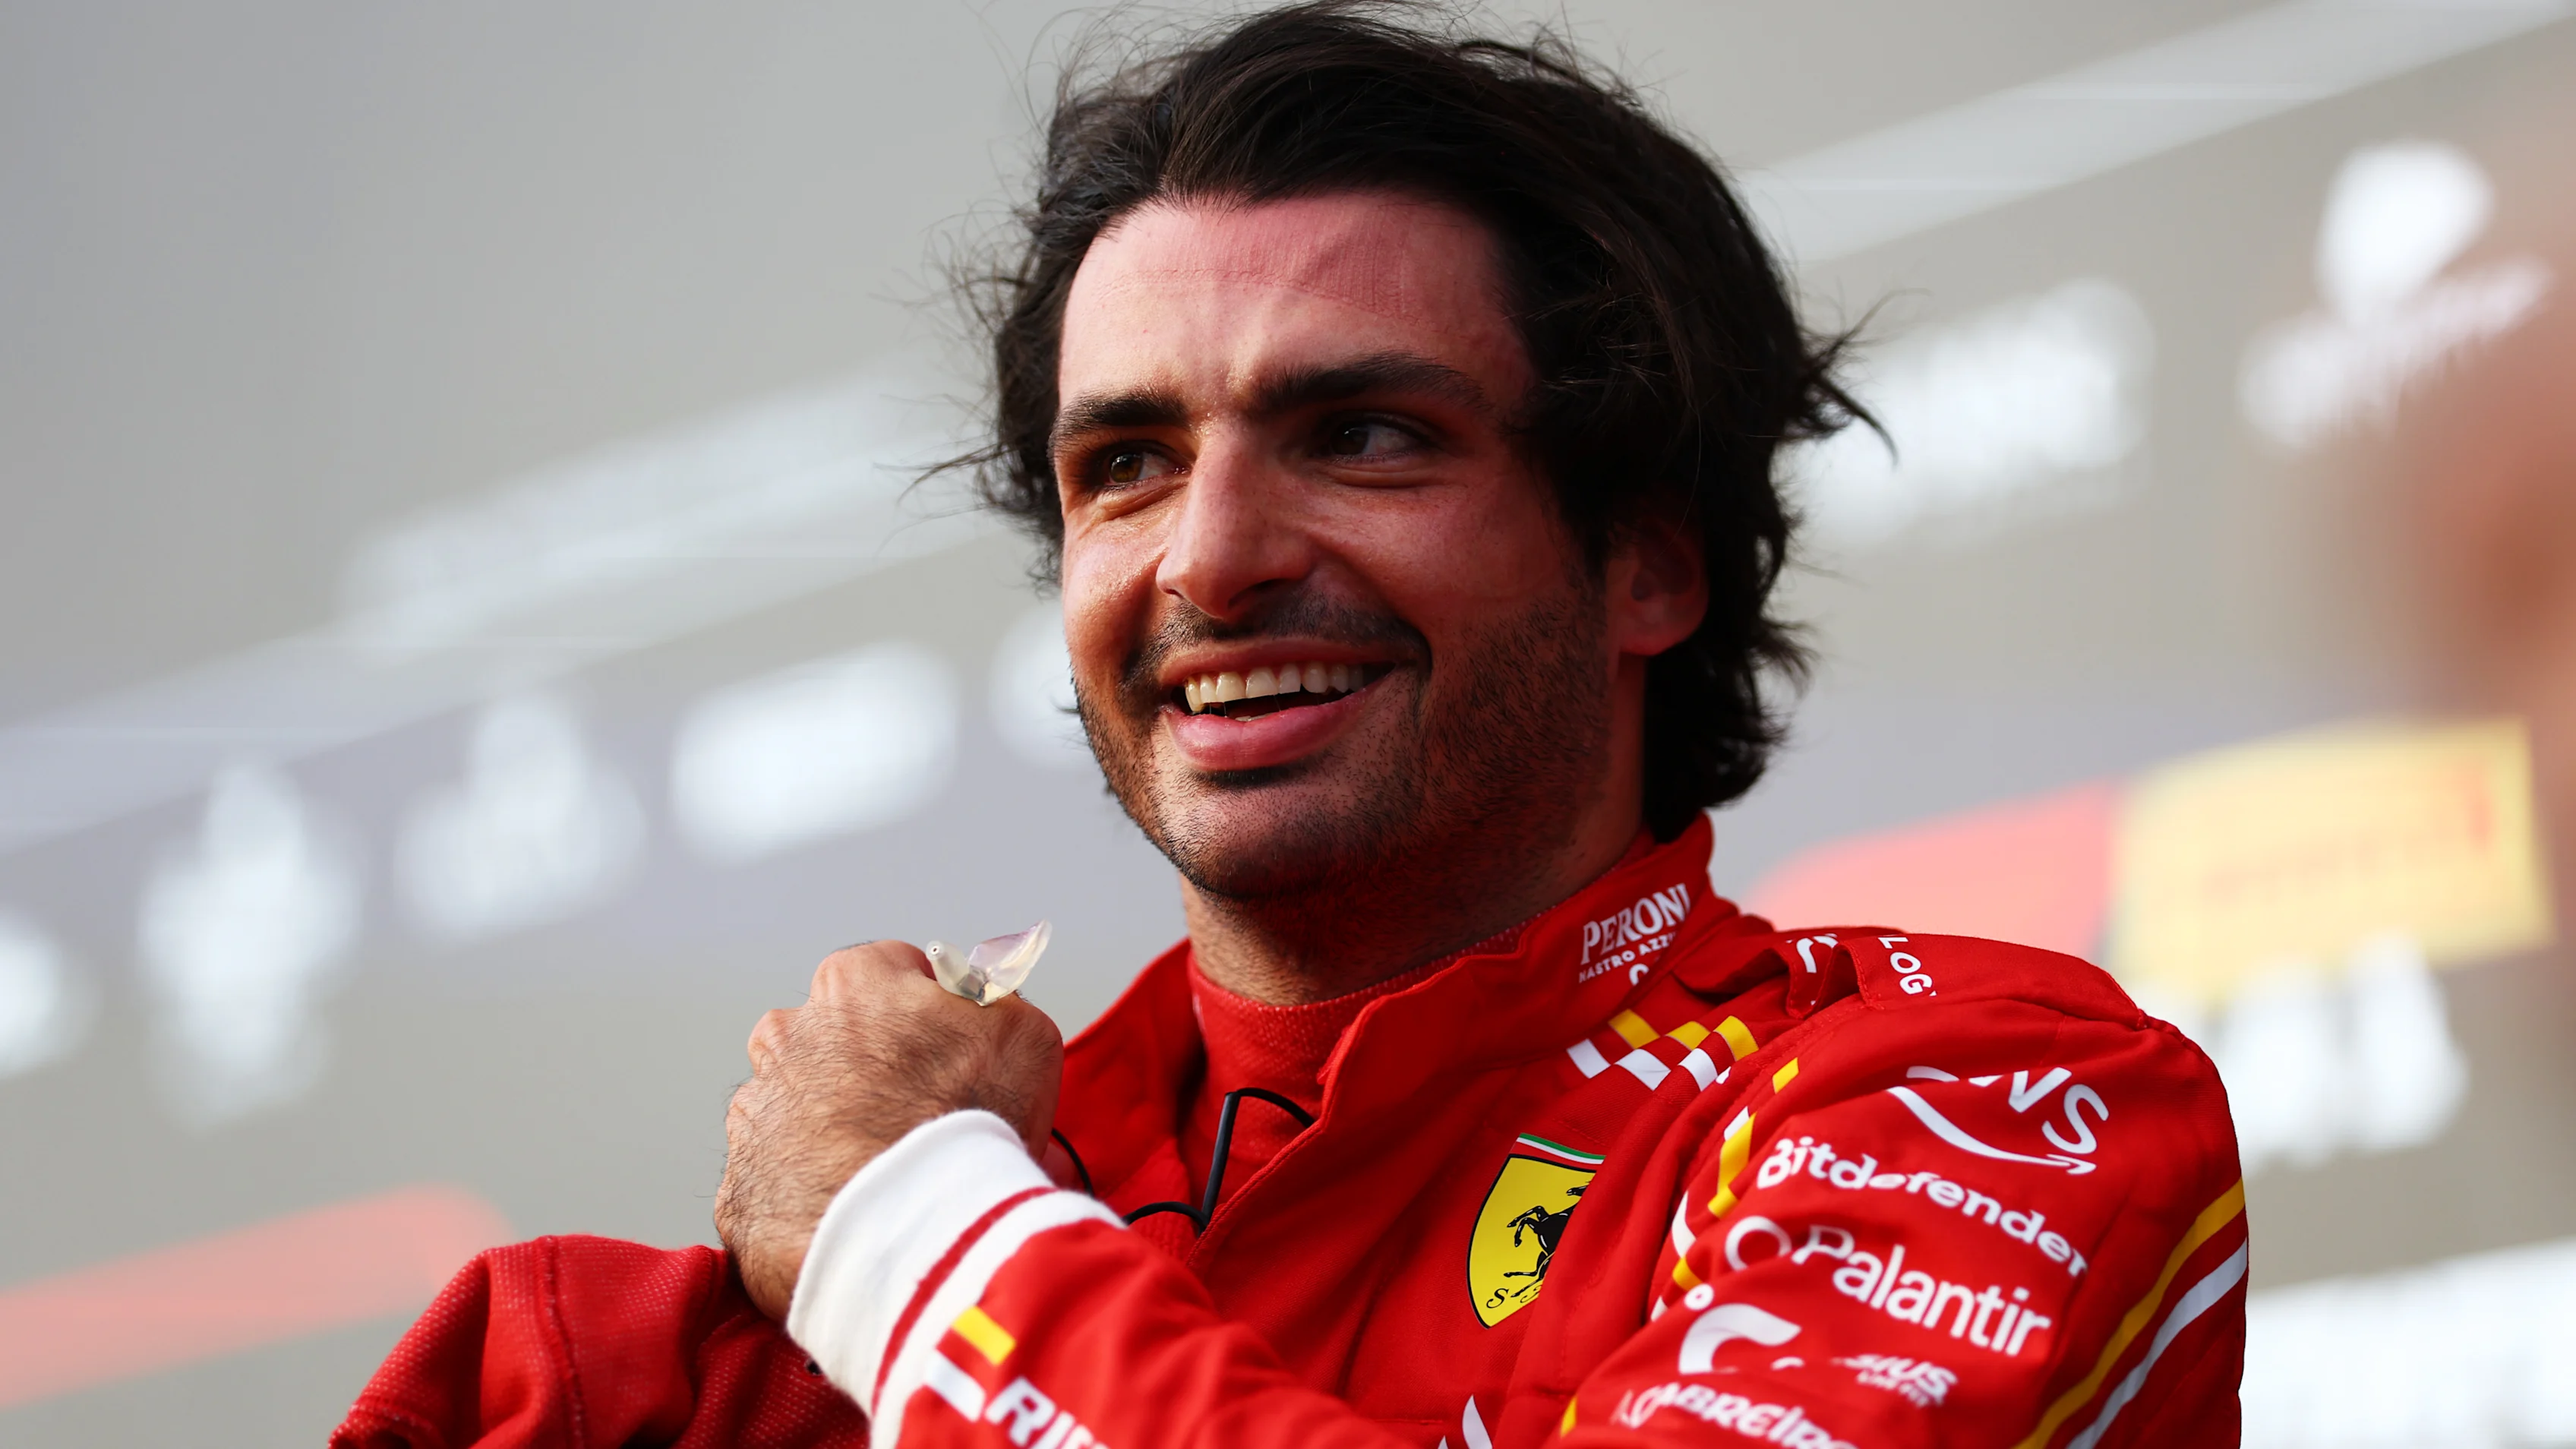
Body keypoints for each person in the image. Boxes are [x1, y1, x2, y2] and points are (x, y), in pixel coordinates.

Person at [334, 6, 2247, 1446]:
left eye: (1364, 435)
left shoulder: (1980, 1102)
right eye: (1128, 465)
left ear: (1647, 565)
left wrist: (916, 1236)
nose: (1215, 559)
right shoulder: (754, 1331)